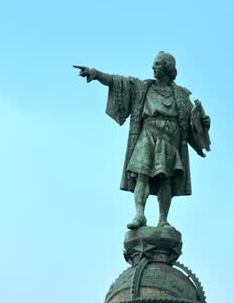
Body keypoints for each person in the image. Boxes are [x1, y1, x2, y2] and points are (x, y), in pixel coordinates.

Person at [76, 52, 212, 229]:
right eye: (154, 64)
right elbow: (118, 81)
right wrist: (96, 73)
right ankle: (140, 215)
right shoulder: (142, 88)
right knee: (142, 175)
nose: (153, 67)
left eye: (157, 64)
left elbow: (193, 122)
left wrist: (205, 123)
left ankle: (163, 220)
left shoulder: (180, 95)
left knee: (165, 179)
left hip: (170, 140)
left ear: (168, 68)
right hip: (148, 135)